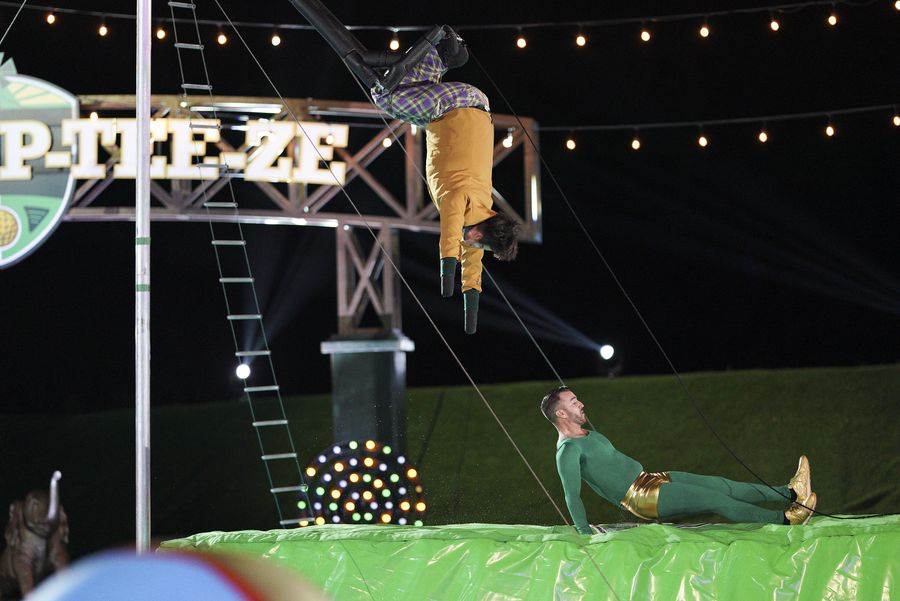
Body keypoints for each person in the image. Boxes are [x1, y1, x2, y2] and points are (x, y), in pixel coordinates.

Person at [290, 1, 521, 334]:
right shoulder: (460, 201)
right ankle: (438, 50)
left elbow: (472, 259)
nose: (473, 247)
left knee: (410, 93)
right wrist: (446, 275)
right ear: (479, 232)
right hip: (454, 108)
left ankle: (442, 55)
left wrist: (470, 305)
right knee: (385, 97)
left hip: (468, 108)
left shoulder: (482, 209)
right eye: (479, 243)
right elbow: (449, 235)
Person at [540, 386, 817, 534]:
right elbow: (571, 496)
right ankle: (786, 520)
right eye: (573, 402)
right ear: (561, 414)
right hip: (642, 498)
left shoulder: (587, 433)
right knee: (716, 500)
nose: (581, 403)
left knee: (722, 485)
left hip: (651, 478)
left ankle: (790, 492)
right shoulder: (567, 451)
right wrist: (584, 534)